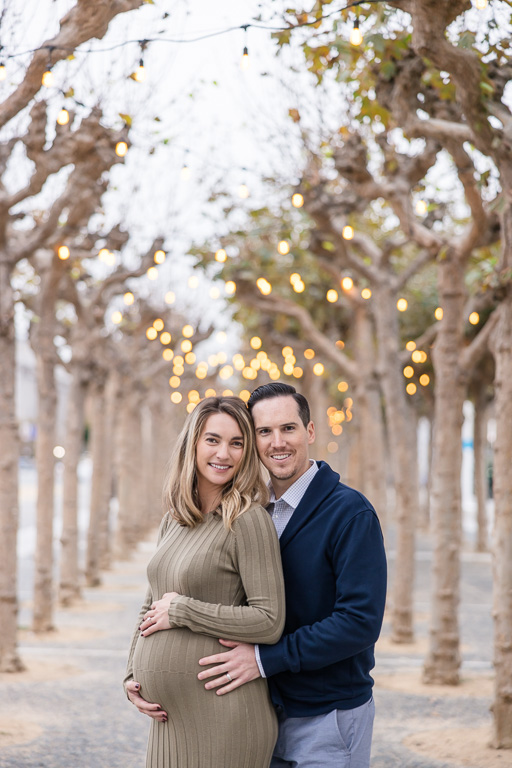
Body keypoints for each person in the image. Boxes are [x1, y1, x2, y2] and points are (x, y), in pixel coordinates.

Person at [196, 383, 387, 768]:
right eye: (264, 432)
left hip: (327, 717)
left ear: (310, 432)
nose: (277, 442)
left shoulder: (350, 513)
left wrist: (266, 659)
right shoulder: (247, 512)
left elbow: (359, 623)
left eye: (288, 428)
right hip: (259, 714)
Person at [124, 396, 285, 768]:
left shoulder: (247, 520)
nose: (224, 453)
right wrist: (131, 674)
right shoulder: (174, 520)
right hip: (168, 721)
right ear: (193, 444)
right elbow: (151, 605)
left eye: (237, 443)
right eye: (213, 440)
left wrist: (183, 611)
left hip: (224, 717)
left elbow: (269, 619)